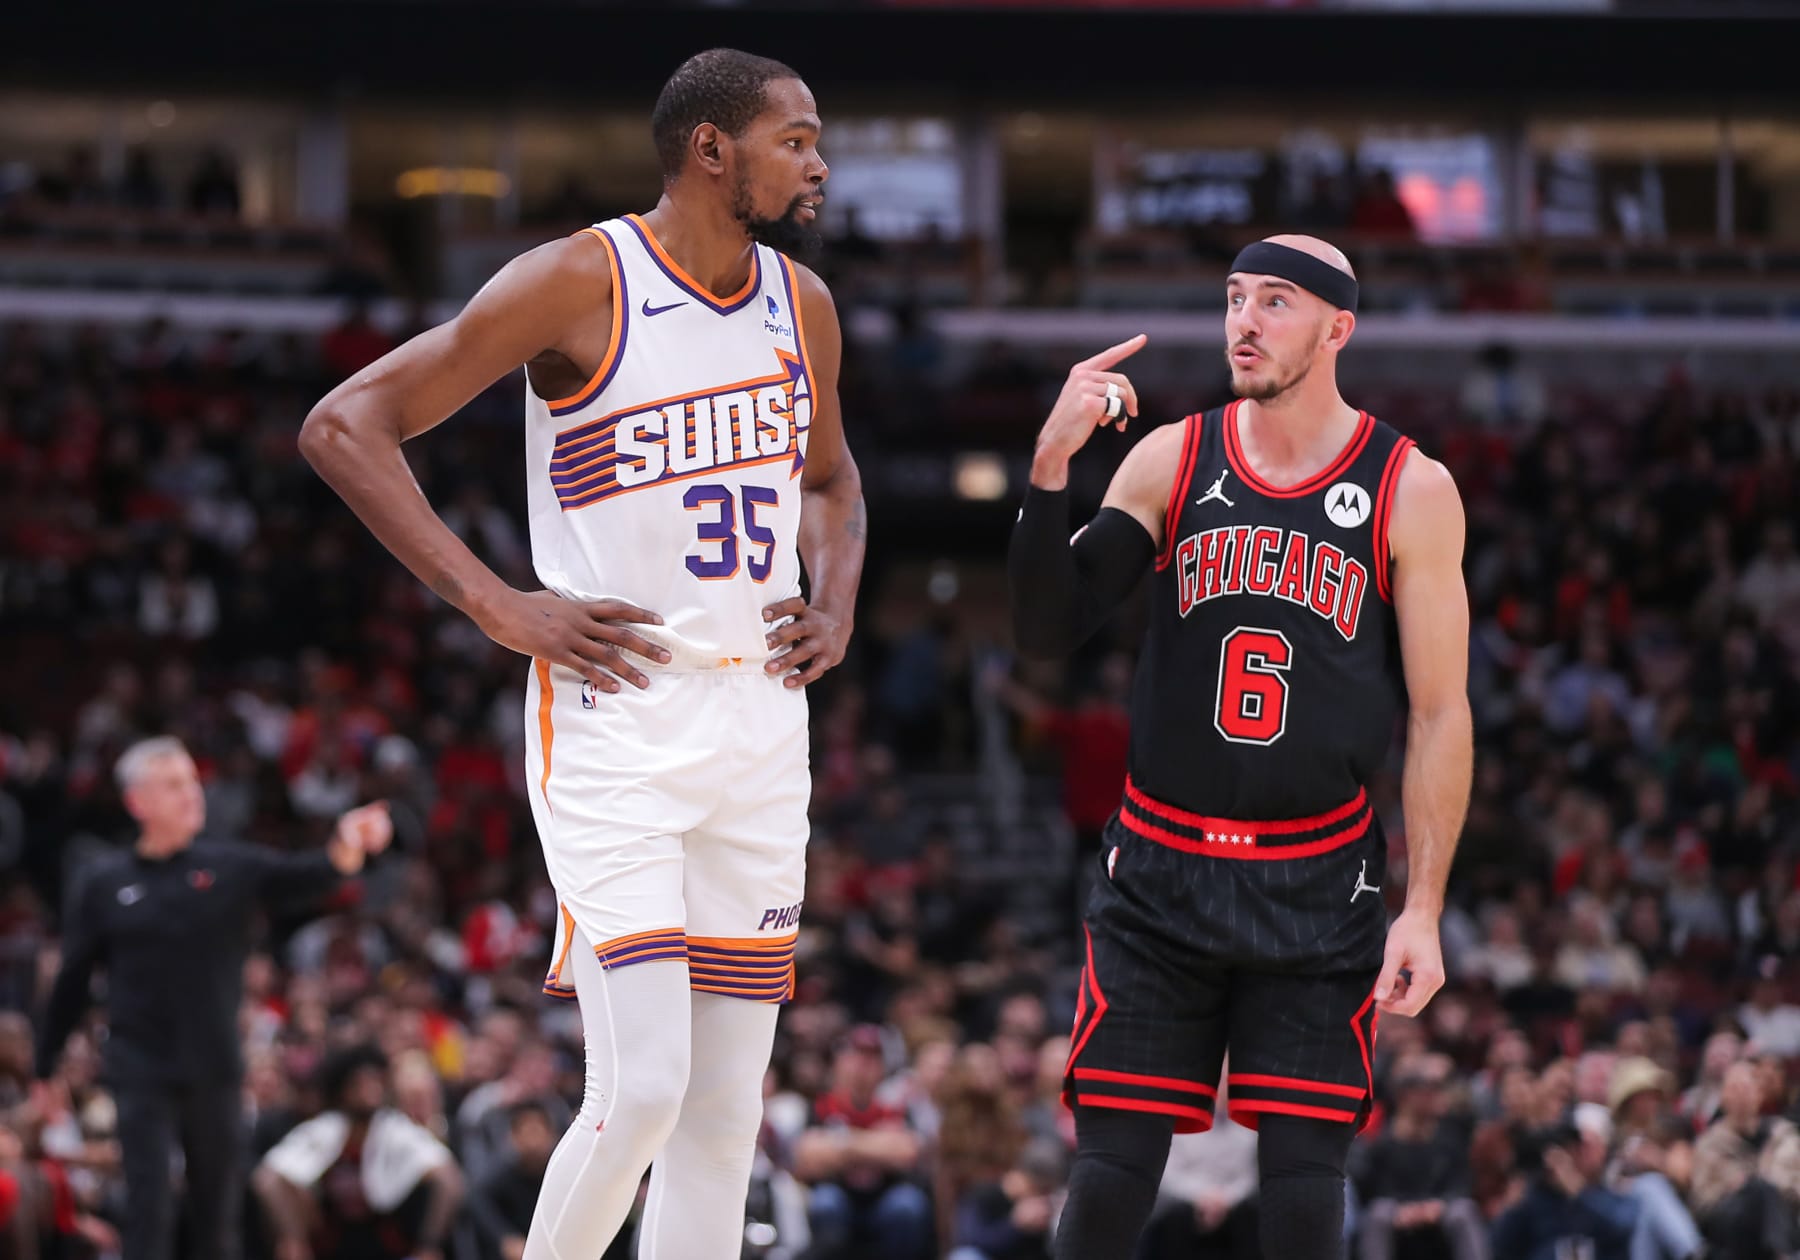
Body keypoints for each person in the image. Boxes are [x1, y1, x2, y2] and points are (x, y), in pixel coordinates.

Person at [298, 47, 865, 1259]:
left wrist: (842, 597)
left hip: (764, 726)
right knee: (644, 1088)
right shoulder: (579, 278)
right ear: (713, 149)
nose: (818, 163)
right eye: (796, 139)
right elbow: (346, 425)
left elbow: (831, 480)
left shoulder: (800, 304)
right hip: (622, 714)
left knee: (723, 1121)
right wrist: (496, 604)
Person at [1007, 234, 1472, 1259]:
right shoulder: (1174, 455)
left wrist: (1426, 910)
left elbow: (1443, 714)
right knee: (1108, 1174)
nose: (1244, 322)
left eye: (1275, 302)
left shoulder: (1411, 486)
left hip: (1319, 878)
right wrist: (1049, 466)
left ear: (1338, 328)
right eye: (1233, 299)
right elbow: (1046, 628)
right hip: (1160, 866)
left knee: (1307, 1185)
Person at [33, 735, 391, 1260]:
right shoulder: (104, 882)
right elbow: (72, 980)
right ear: (138, 802)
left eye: (193, 782)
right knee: (149, 1207)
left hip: (216, 1067)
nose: (192, 794)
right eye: (174, 784)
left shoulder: (229, 866)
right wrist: (45, 1069)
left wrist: (346, 843)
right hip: (139, 1067)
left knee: (216, 1216)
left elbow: (308, 875)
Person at [252, 1044, 464, 1260]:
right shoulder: (324, 1131)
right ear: (343, 1089)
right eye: (361, 1083)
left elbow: (449, 1180)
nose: (369, 1089)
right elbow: (268, 1179)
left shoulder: (397, 1131)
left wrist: (429, 1245)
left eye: (374, 1082)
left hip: (389, 1245)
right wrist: (293, 1237)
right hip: (330, 1246)